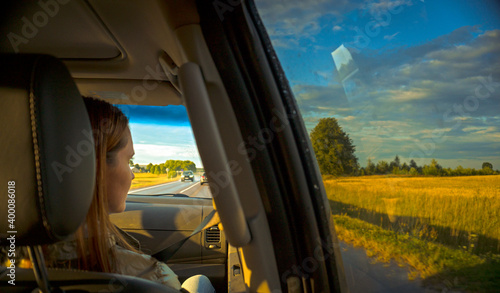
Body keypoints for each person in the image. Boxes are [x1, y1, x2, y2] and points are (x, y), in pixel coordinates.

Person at [45, 97, 215, 292]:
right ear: (95, 167)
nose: (133, 174)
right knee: (199, 283)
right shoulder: (152, 276)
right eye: (128, 161)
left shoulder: (11, 263)